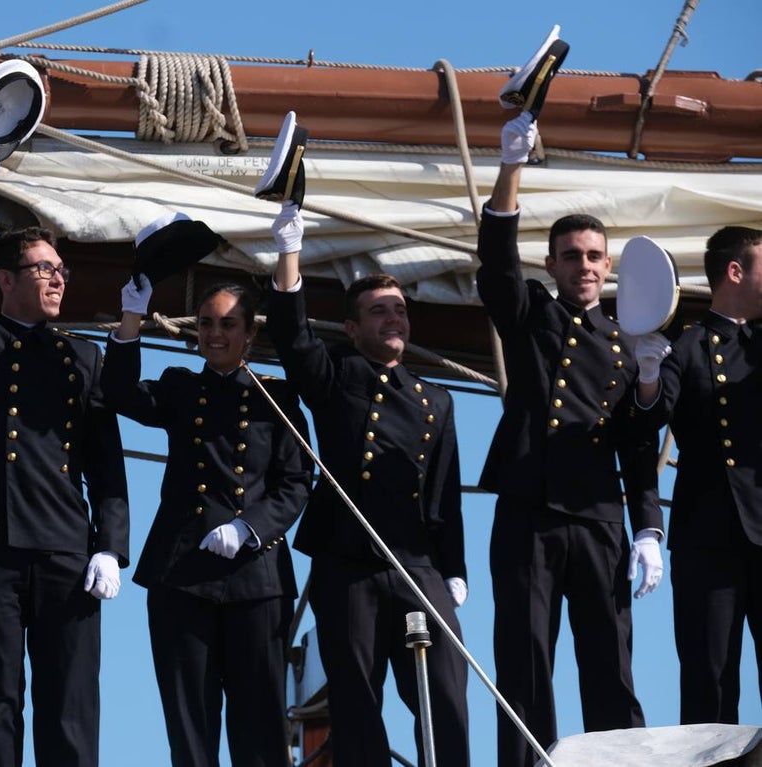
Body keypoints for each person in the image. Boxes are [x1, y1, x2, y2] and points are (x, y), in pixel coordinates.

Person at [0, 148, 130, 767]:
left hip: (68, 548)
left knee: (71, 706)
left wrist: (111, 548)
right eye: (42, 269)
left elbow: (107, 465)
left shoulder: (83, 359)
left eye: (61, 269)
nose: (58, 278)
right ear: (6, 281)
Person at [476, 111, 664, 767]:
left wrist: (648, 530)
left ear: (608, 266)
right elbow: (496, 268)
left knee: (610, 666)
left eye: (593, 256)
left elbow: (641, 446)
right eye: (570, 256)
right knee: (525, 662)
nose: (582, 265)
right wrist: (510, 165)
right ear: (551, 263)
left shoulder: (628, 345)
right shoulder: (533, 314)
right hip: (529, 509)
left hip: (598, 518)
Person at [266, 203, 470, 766]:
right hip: (349, 561)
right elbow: (292, 336)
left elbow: (445, 494)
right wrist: (290, 251)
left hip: (418, 564)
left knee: (448, 694)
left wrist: (454, 570)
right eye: (379, 312)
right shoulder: (339, 377)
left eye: (400, 310)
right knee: (356, 701)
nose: (394, 319)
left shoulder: (438, 400)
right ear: (354, 329)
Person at [100, 274, 312, 767]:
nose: (215, 334)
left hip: (255, 580)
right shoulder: (179, 387)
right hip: (182, 575)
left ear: (250, 334)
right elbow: (119, 393)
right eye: (206, 323)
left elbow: (297, 481)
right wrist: (131, 318)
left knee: (259, 728)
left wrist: (248, 528)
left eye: (228, 324)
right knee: (189, 727)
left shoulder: (277, 399)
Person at [633, 226, 762, 725]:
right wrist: (647, 376)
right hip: (708, 538)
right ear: (736, 271)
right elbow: (647, 422)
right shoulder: (685, 345)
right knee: (710, 681)